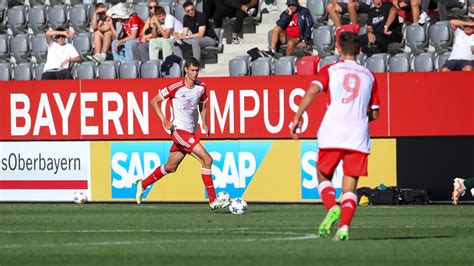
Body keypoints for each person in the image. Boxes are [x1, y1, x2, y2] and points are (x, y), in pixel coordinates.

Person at [290, 31, 380, 241]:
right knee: (350, 186)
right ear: (359, 50)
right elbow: (374, 114)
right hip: (358, 135)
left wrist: (297, 116)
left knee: (323, 175)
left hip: (333, 131)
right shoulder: (369, 76)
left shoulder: (331, 70)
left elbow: (312, 90)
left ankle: (331, 207)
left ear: (338, 48)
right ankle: (344, 227)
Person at [135, 57, 229, 210]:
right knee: (207, 159)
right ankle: (213, 200)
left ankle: (143, 184)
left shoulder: (201, 87)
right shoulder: (175, 87)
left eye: (197, 70)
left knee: (171, 167)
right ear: (186, 70)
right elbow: (154, 101)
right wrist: (164, 120)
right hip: (179, 131)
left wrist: (204, 122)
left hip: (191, 131)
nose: (195, 73)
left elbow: (202, 106)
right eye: (192, 70)